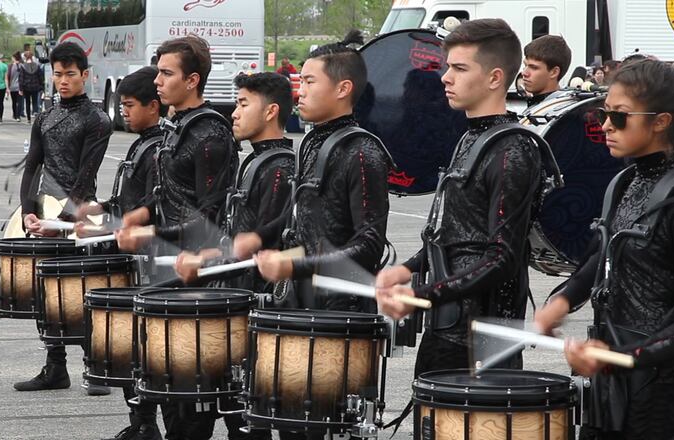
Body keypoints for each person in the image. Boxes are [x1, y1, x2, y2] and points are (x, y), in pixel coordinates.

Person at [535, 59, 674, 439]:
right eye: (604, 114)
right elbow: (604, 257)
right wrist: (564, 299)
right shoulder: (625, 180)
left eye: (619, 117)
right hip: (613, 379)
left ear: (661, 121)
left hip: (664, 392)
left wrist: (622, 358)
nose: (604, 127)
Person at [376, 18, 539, 377]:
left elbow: (502, 258)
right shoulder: (470, 139)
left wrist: (425, 294)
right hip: (447, 328)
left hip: (482, 341)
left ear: (495, 78)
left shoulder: (512, 149)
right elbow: (452, 233)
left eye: (459, 68)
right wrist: (405, 270)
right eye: (448, 66)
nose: (445, 77)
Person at [116, 35, 237, 440]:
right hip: (165, 271)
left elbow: (209, 216)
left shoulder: (209, 134)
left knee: (191, 394)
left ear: (192, 80)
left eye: (167, 73)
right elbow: (168, 195)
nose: (158, 81)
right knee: (166, 383)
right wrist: (141, 213)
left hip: (196, 277)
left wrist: (153, 231)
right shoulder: (175, 125)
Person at [173, 71, 295, 440]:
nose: (234, 113)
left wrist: (211, 257)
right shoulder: (256, 162)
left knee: (244, 420)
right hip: (234, 300)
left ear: (271, 111)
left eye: (243, 104)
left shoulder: (280, 167)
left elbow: (260, 239)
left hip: (254, 309)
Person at [249, 30, 391, 314]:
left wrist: (295, 264)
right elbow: (309, 233)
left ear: (342, 89)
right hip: (300, 302)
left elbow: (370, 245)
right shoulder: (311, 143)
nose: (299, 92)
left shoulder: (361, 151)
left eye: (309, 82)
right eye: (301, 82)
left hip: (341, 313)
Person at [13, 42, 113, 394]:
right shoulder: (43, 118)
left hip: (80, 216)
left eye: (71, 74)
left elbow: (86, 176)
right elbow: (32, 167)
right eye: (57, 74)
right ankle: (55, 367)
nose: (63, 81)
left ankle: (94, 367)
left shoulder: (98, 120)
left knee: (82, 292)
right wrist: (28, 211)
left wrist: (63, 219)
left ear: (85, 75)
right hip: (44, 213)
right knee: (45, 293)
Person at [83, 66, 166, 440]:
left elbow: (153, 205)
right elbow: (127, 201)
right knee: (131, 350)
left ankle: (148, 422)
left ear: (154, 105)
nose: (124, 112)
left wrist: (114, 225)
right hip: (133, 258)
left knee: (144, 350)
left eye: (130, 105)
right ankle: (141, 423)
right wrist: (101, 209)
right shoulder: (142, 143)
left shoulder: (159, 148)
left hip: (150, 264)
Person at [521, 34, 571, 107]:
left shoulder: (557, 112)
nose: (524, 73)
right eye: (525, 65)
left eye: (534, 67)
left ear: (554, 72)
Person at [19, 50, 44, 122]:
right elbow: (40, 77)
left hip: (26, 87)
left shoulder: (23, 66)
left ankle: (28, 118)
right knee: (35, 101)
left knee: (27, 102)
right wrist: (41, 86)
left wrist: (20, 88)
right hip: (35, 86)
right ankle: (35, 113)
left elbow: (21, 78)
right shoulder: (37, 66)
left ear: (25, 57)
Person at [8, 51, 23, 122]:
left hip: (12, 86)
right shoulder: (22, 66)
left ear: (14, 58)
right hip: (20, 87)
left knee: (14, 101)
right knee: (19, 101)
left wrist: (8, 86)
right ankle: (18, 115)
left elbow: (8, 76)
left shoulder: (11, 66)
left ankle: (14, 114)